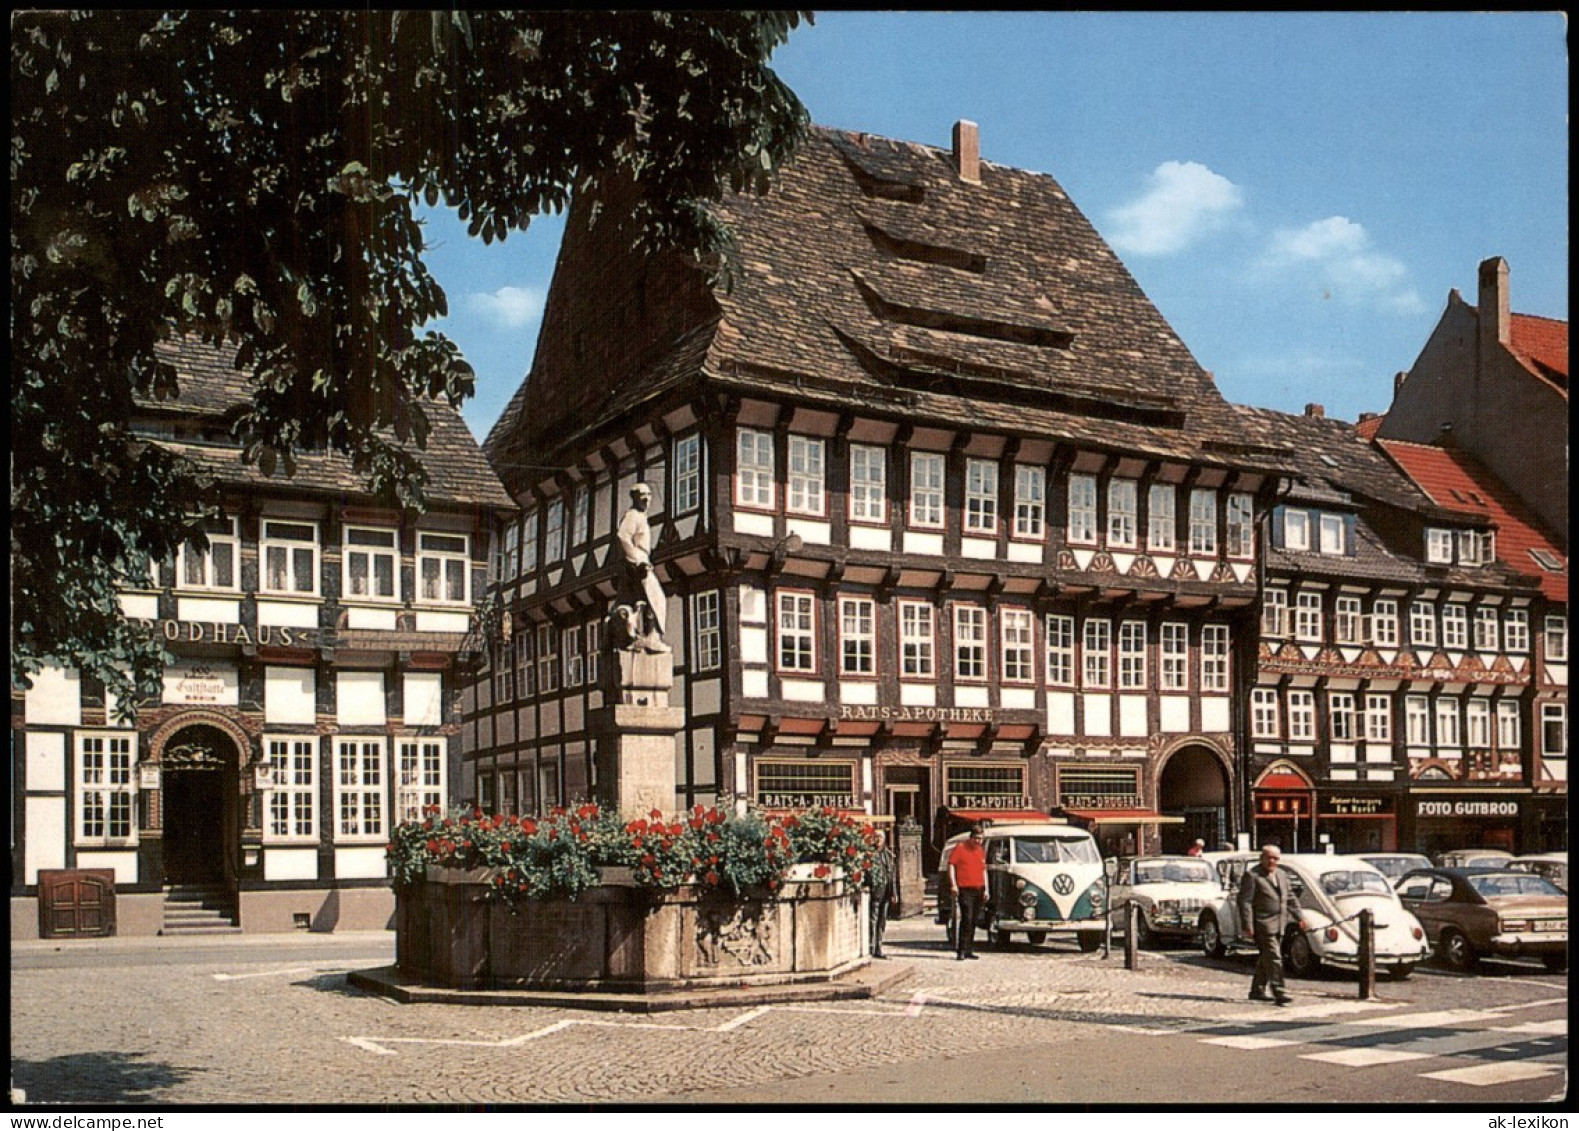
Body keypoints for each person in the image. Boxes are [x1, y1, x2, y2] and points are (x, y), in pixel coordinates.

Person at [1236, 844, 1306, 1005]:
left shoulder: (1281, 874)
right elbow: (1245, 902)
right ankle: (1279, 991)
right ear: (1262, 858)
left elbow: (1290, 898)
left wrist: (1299, 917)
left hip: (1280, 923)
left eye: (1275, 858)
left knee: (1266, 958)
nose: (1272, 861)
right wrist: (1247, 925)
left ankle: (1257, 990)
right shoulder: (1252, 875)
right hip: (1262, 924)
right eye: (1269, 857)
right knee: (1274, 957)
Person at [614, 483, 667, 647]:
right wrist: (637, 560)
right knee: (656, 598)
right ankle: (652, 636)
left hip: (640, 560)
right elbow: (623, 537)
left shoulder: (640, 516)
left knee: (641, 601)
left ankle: (643, 635)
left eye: (649, 495)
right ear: (634, 497)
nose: (646, 498)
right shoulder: (633, 515)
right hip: (638, 562)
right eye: (642, 495)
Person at [948, 824, 988, 960]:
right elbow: (952, 865)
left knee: (974, 920)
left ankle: (970, 948)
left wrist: (986, 888)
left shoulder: (980, 850)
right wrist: (953, 884)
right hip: (965, 888)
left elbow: (984, 870)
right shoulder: (960, 848)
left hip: (979, 887)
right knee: (967, 917)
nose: (978, 841)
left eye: (980, 839)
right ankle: (961, 949)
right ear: (971, 837)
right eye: (976, 838)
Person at [869, 839, 896, 959]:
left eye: (880, 837)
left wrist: (894, 893)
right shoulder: (870, 854)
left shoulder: (888, 855)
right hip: (875, 891)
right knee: (873, 920)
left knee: (882, 921)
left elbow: (892, 875)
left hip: (886, 891)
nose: (878, 840)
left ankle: (878, 947)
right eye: (876, 837)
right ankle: (871, 947)